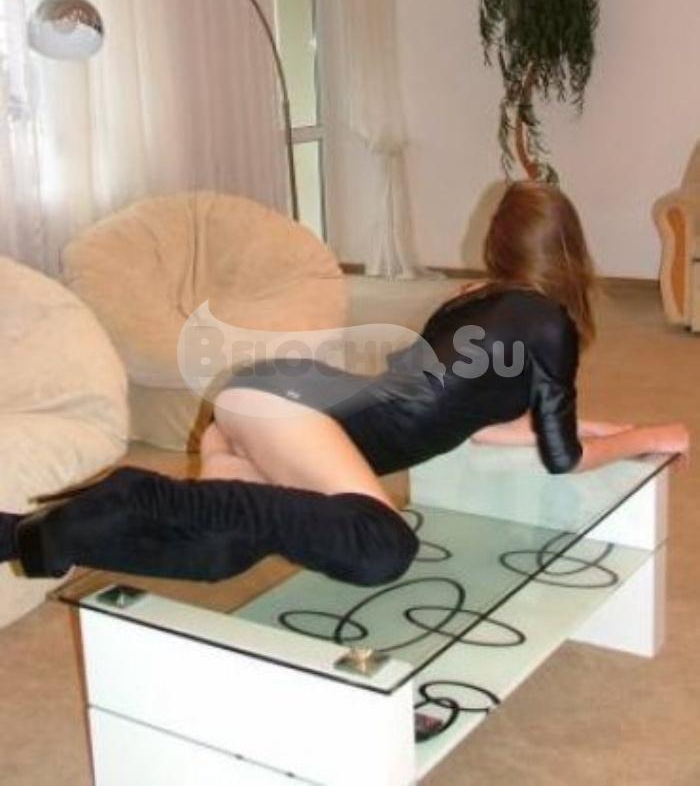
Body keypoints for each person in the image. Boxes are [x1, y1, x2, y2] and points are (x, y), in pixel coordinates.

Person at [0, 182, 689, 586]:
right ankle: (132, 491)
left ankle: (22, 536)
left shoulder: (473, 300)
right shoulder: (549, 326)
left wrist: (605, 429)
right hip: (290, 406)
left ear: (497, 246)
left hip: (275, 404)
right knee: (381, 545)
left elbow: (482, 425)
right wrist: (652, 435)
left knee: (219, 551)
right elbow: (563, 458)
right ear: (571, 249)